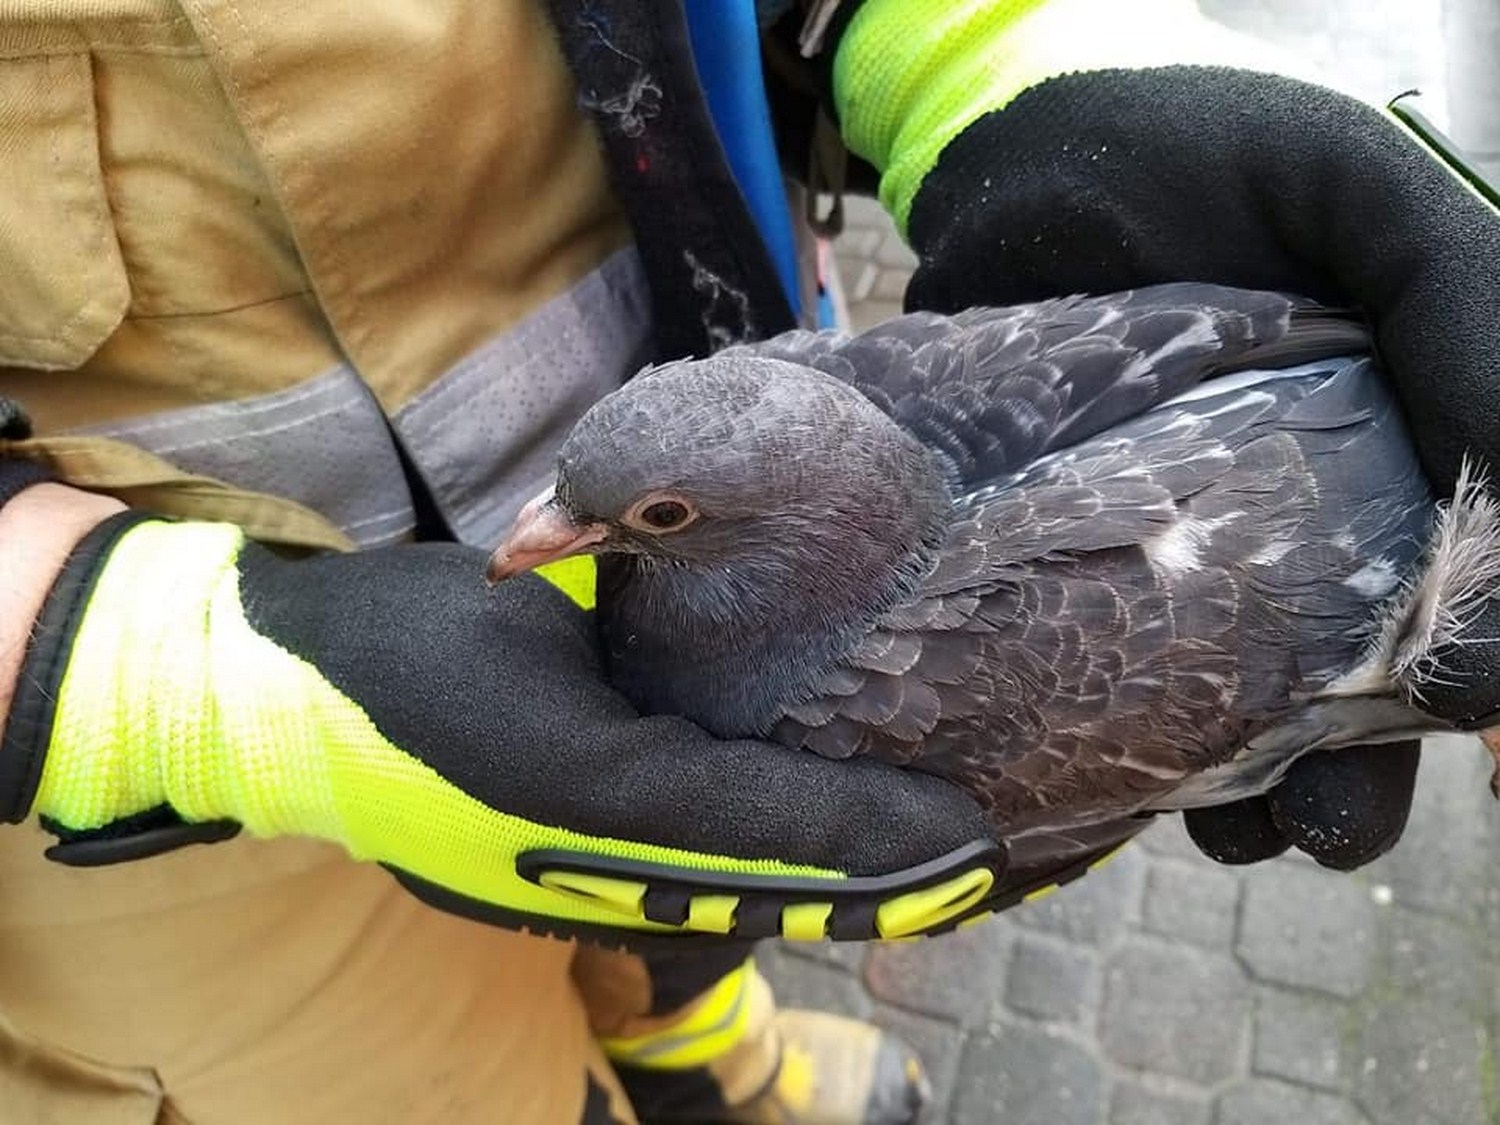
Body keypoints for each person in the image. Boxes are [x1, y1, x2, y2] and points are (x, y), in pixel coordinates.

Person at [0, 0, 1494, 1121]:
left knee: (715, 862)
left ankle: (718, 1068)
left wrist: (975, 43)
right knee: (414, 1083)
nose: (542, 542)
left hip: (694, 391)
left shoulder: (869, 625)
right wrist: (123, 667)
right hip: (164, 682)